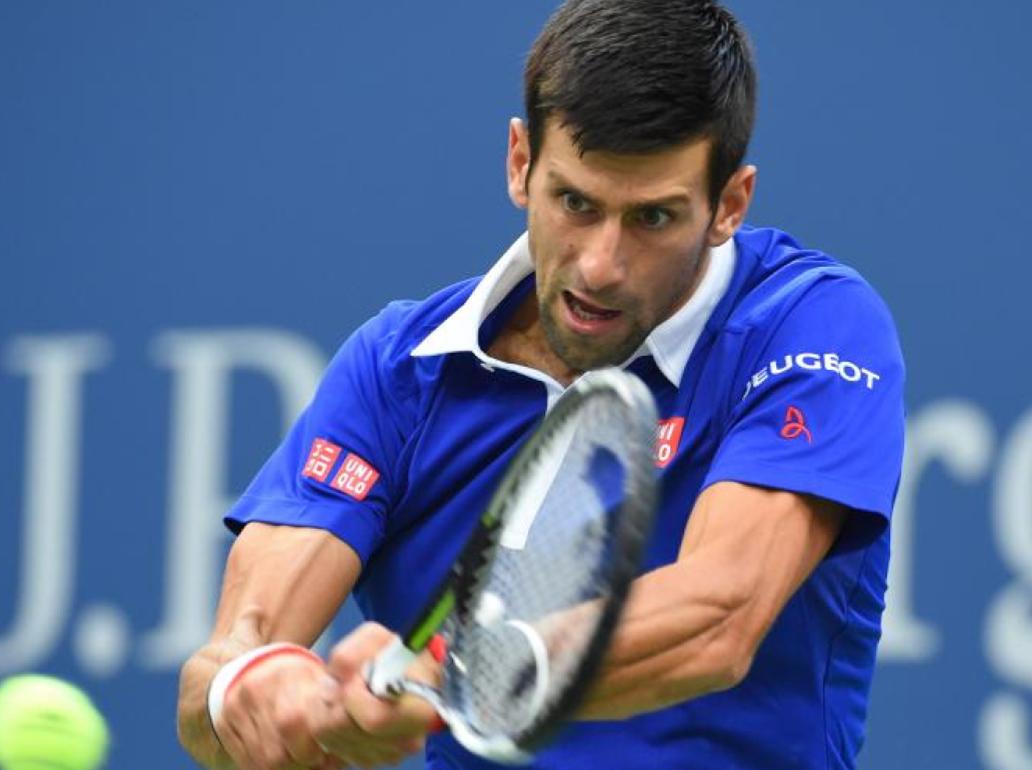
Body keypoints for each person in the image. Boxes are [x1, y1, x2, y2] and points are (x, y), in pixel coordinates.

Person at [177, 0, 905, 768]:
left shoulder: (811, 323)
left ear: (729, 205)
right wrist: (254, 692)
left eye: (653, 219)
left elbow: (719, 616)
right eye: (575, 203)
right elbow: (226, 665)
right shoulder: (399, 370)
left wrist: (464, 670)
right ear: (520, 161)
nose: (600, 265)